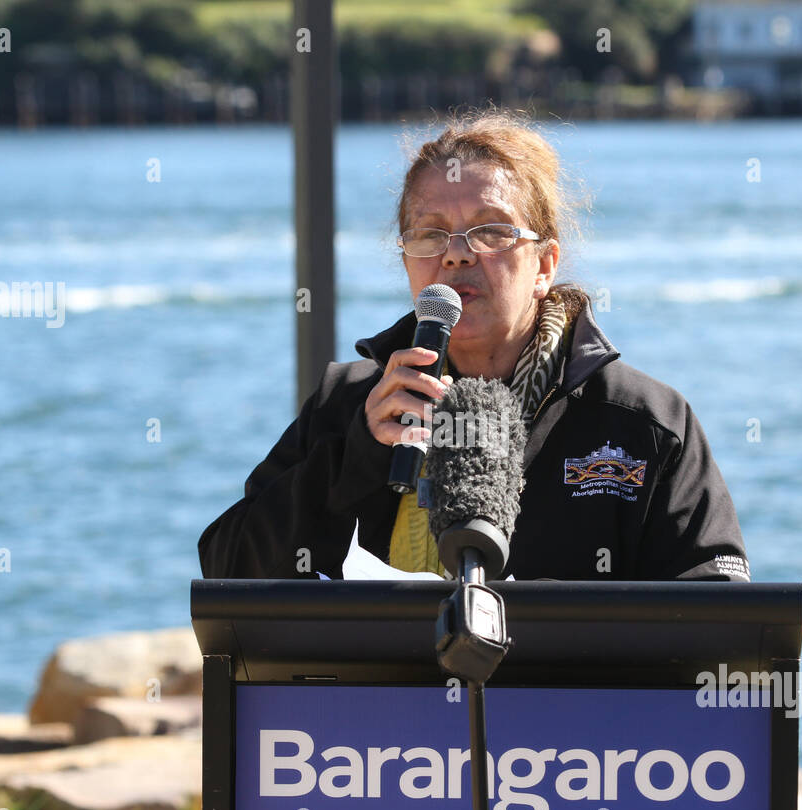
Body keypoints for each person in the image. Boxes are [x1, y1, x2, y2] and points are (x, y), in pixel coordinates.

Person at [199, 107, 750, 583]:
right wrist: (357, 458)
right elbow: (228, 570)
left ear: (545, 265)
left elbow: (723, 618)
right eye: (430, 234)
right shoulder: (347, 405)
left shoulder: (643, 422)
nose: (457, 255)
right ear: (407, 261)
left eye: (492, 232)